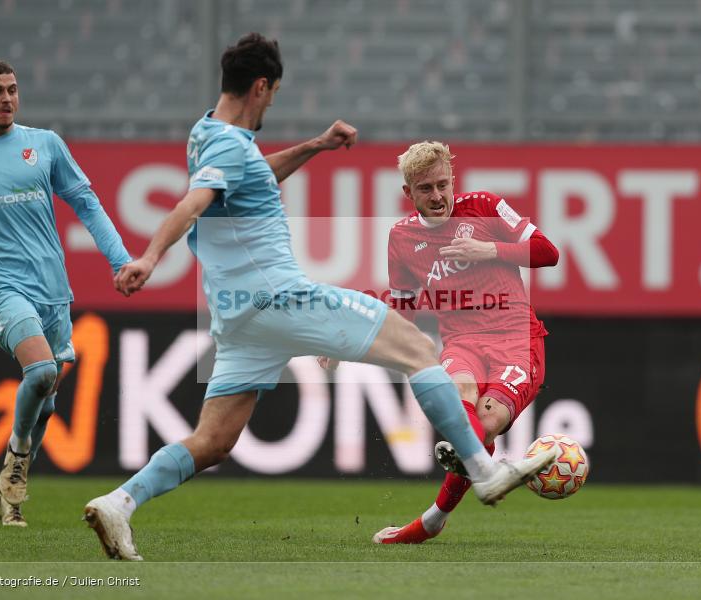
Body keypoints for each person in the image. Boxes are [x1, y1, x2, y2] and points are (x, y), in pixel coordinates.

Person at [82, 33, 555, 561]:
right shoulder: (231, 146)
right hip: (280, 297)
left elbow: (253, 174)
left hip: (236, 319)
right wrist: (150, 257)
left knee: (213, 441)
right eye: (273, 94)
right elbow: (194, 202)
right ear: (261, 87)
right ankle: (485, 471)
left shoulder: (207, 134)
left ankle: (120, 502)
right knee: (421, 352)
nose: (271, 104)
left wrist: (315, 145)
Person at [0, 59, 131, 527]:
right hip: (1, 286)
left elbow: (86, 203)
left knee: (47, 400)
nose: (7, 98)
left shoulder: (45, 144)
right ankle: (16, 457)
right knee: (41, 371)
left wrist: (120, 261)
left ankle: (7, 490)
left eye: (12, 89)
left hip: (53, 289)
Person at [370, 141, 560, 544]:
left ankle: (432, 520)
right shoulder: (401, 237)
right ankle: (486, 476)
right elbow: (402, 310)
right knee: (459, 401)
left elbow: (548, 252)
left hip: (516, 341)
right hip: (462, 344)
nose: (437, 196)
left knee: (483, 427)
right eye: (426, 189)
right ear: (408, 192)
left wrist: (489, 250)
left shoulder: (484, 207)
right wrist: (347, 341)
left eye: (443, 185)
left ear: (453, 180)